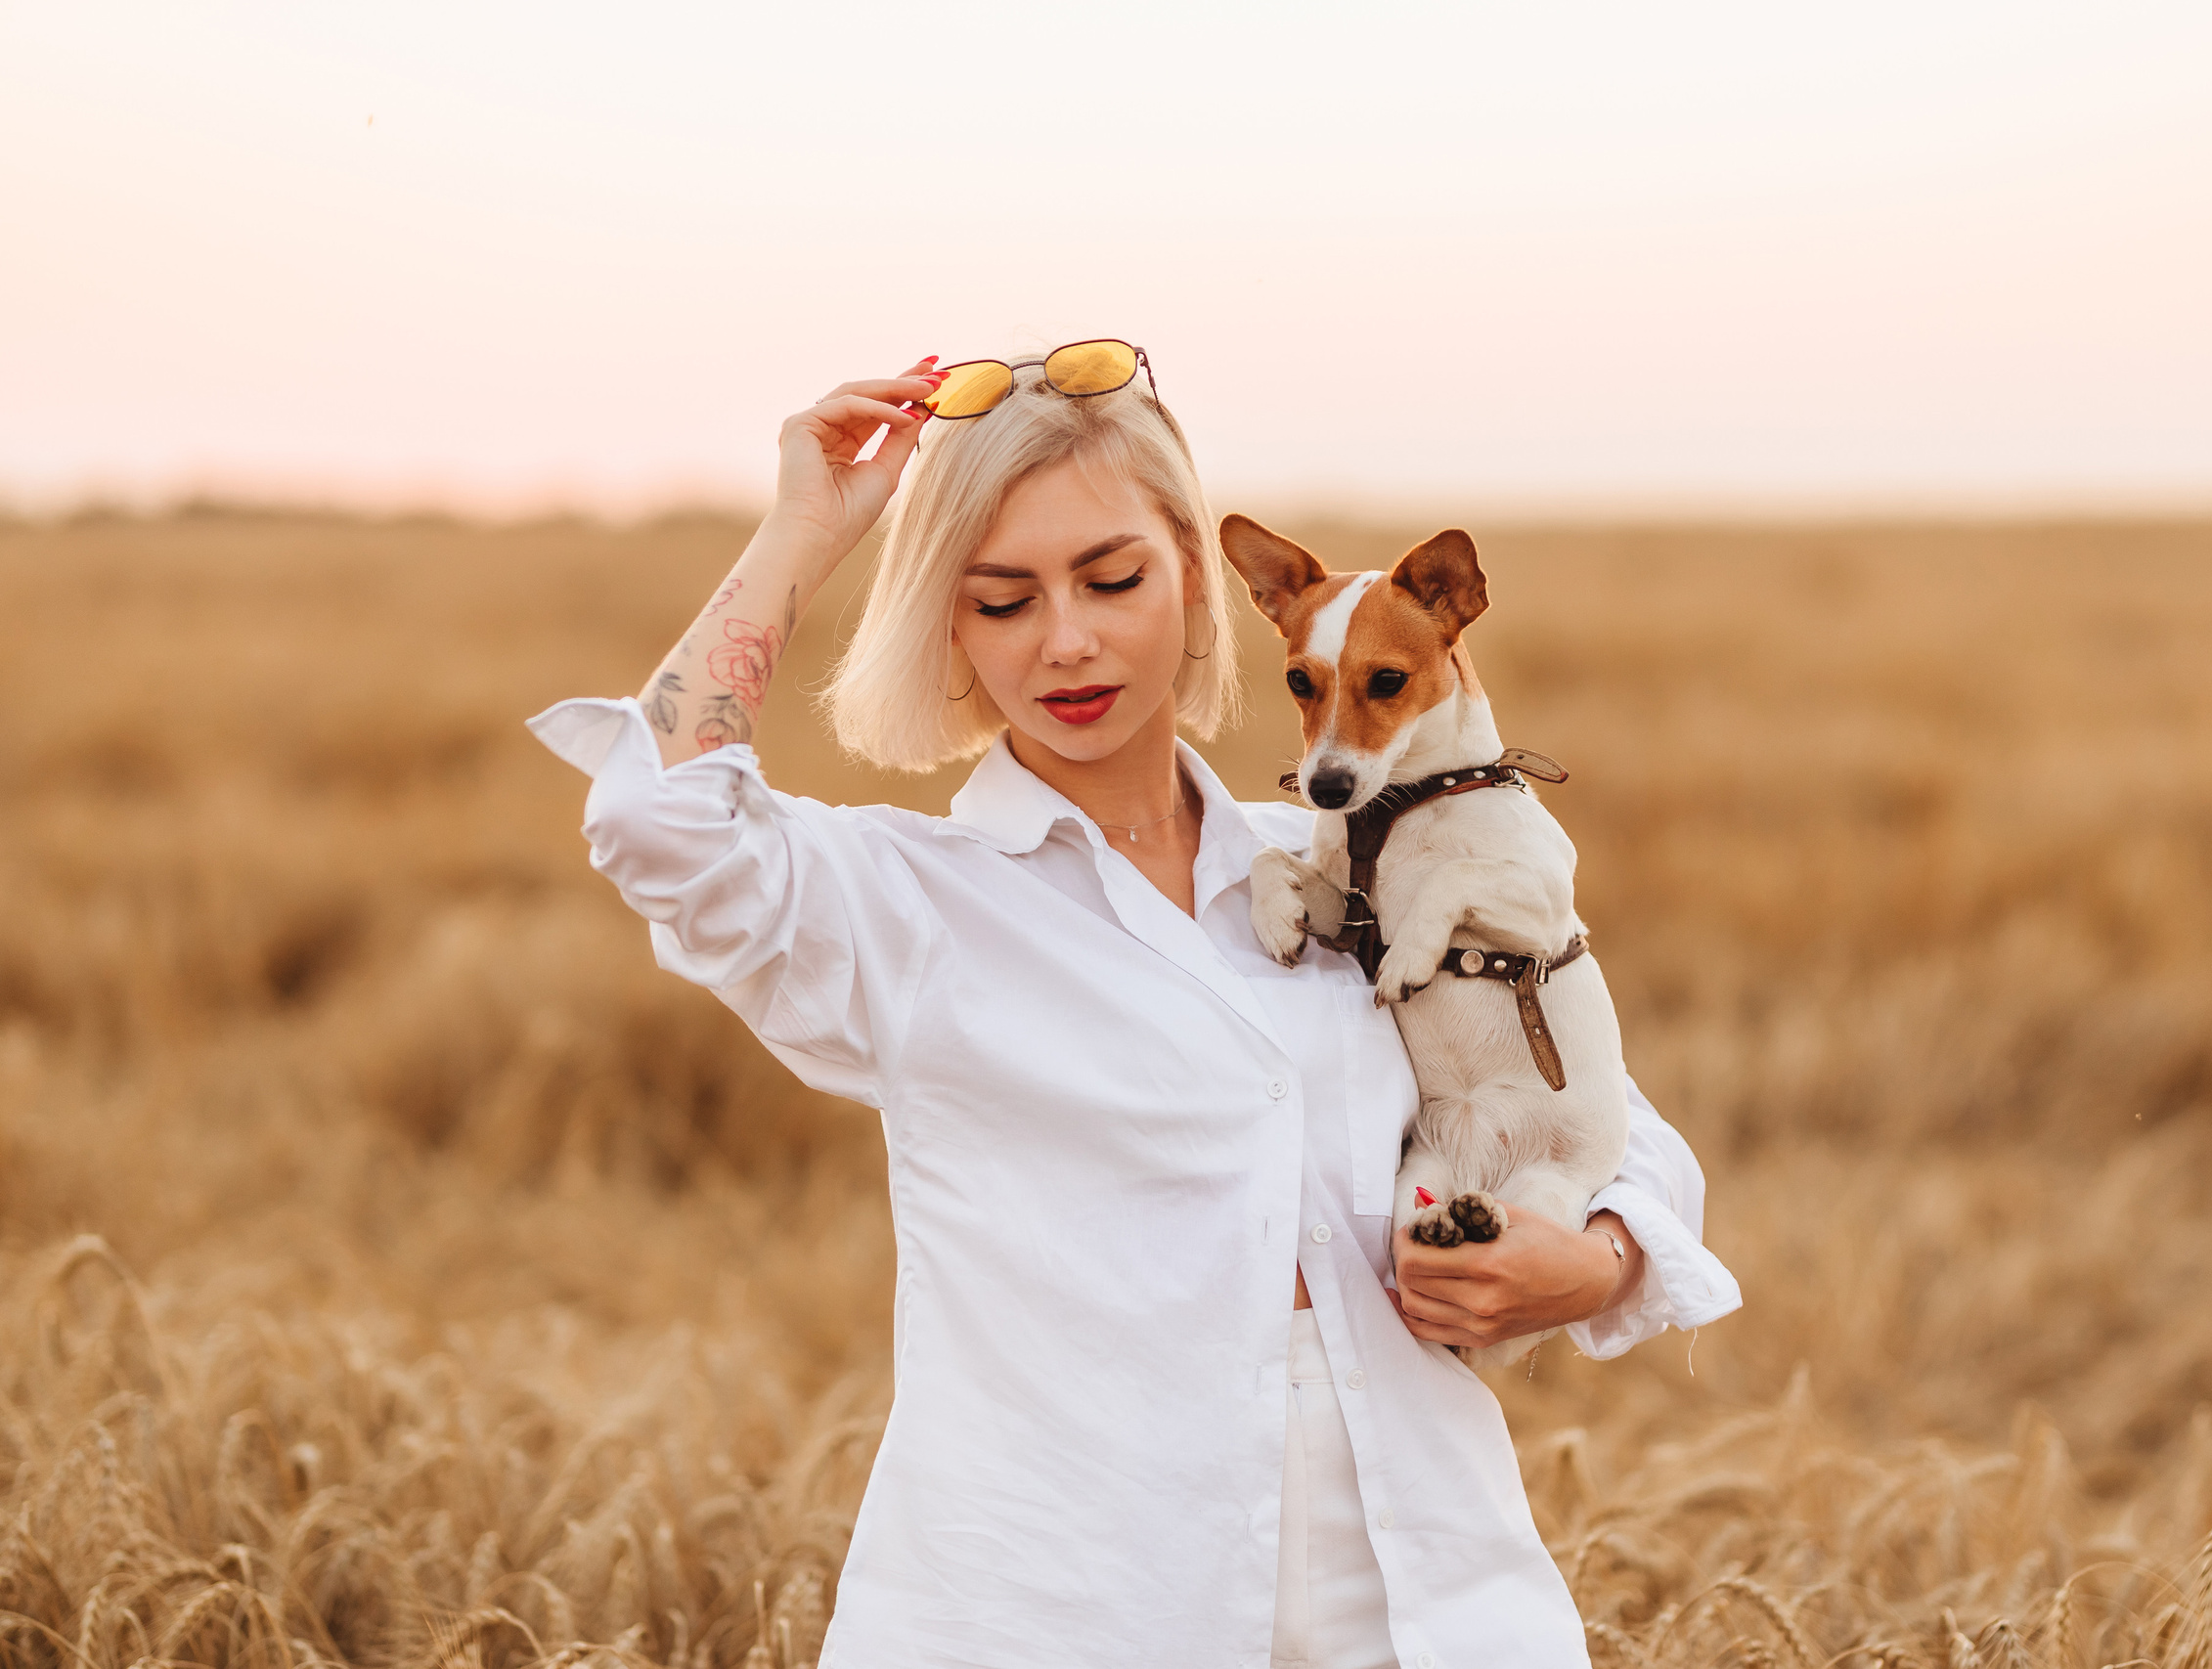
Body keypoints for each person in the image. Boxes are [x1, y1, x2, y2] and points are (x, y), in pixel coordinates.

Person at [528, 344, 1741, 1669]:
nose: (1068, 641)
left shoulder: (1361, 870)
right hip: (1071, 1608)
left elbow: (1608, 1115)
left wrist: (1593, 1262)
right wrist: (801, 532)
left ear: (1198, 583)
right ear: (950, 625)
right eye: (1000, 601)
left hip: (1432, 1607)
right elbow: (658, 820)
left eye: (1113, 580)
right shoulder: (913, 907)